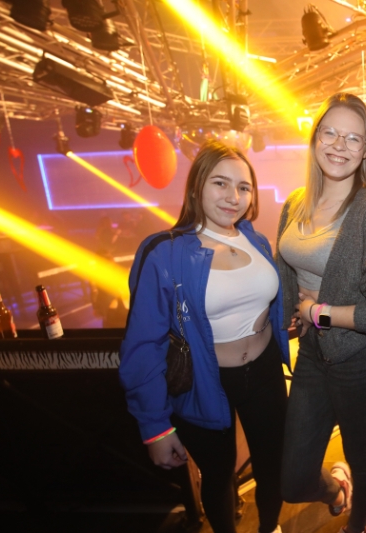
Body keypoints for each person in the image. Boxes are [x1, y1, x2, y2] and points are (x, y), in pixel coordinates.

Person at [119, 140, 289, 533]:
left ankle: (269, 528)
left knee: (273, 466)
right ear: (196, 187)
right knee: (218, 474)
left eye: (244, 187)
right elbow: (143, 345)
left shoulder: (256, 240)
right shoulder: (163, 252)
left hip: (264, 372)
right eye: (220, 183)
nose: (234, 197)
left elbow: (267, 305)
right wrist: (155, 427)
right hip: (204, 382)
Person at [276, 92, 366, 533]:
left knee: (362, 456)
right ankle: (336, 489)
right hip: (312, 355)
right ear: (315, 139)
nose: (339, 145)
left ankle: (356, 526)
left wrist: (317, 312)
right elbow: (288, 267)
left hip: (362, 359)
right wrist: (291, 312)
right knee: (293, 478)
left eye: (353, 138)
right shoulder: (295, 203)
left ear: (365, 152)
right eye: (331, 133)